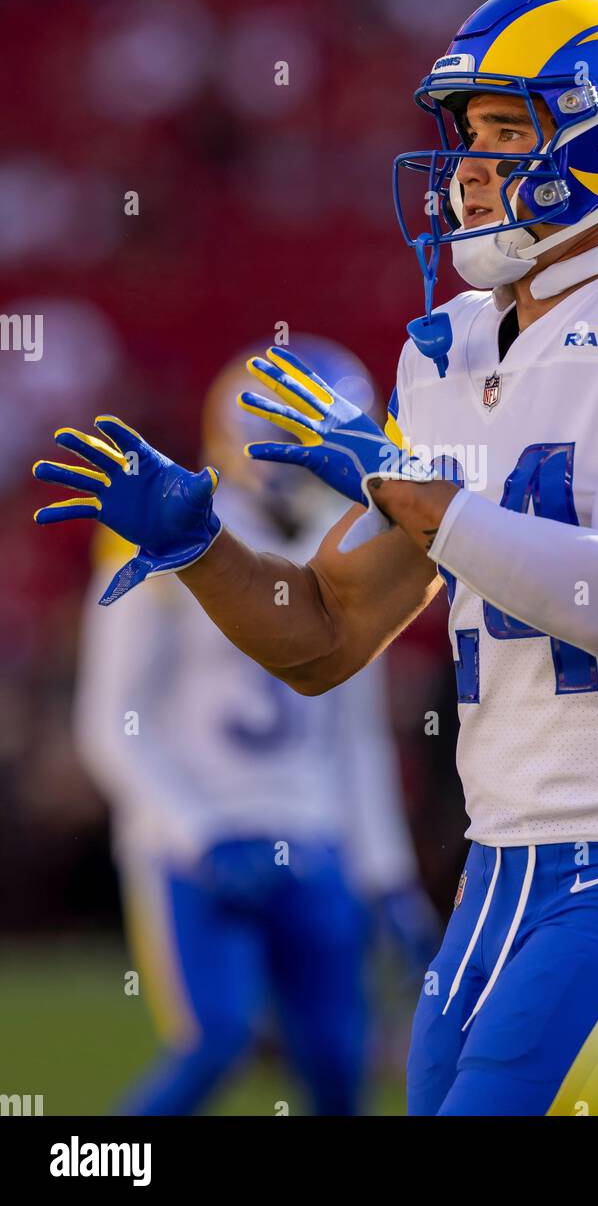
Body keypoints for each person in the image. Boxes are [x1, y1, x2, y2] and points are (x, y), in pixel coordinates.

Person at [34, 0, 598, 1116]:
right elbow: (327, 637)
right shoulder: (445, 346)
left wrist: (412, 491)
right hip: (496, 866)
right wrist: (199, 552)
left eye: (508, 129)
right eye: (467, 132)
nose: (469, 163)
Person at [73, 338, 435, 1116]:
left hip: (315, 835)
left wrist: (386, 874)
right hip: (193, 843)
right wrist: (197, 830)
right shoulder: (170, 518)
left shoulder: (349, 536)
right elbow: (111, 719)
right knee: (218, 1043)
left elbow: (356, 733)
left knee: (339, 1065)